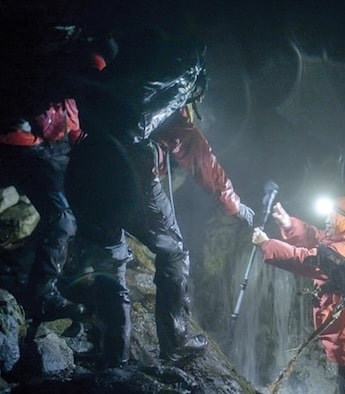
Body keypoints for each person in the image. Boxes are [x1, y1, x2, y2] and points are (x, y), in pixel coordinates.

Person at [65, 46, 254, 367]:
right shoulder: (161, 105)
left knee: (110, 258)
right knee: (174, 253)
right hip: (132, 182)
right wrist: (235, 205)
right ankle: (175, 342)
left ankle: (114, 353)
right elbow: (200, 159)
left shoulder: (111, 90)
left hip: (84, 172)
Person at [0, 23, 118, 322]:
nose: (97, 79)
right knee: (62, 218)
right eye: (96, 69)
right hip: (18, 149)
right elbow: (13, 127)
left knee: (87, 197)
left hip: (44, 145)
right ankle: (40, 298)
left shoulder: (72, 80)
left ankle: (35, 266)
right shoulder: (42, 78)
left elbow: (72, 125)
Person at [252, 197, 345, 393]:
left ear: (344, 219)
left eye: (331, 216)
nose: (326, 220)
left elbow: (308, 259)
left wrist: (267, 244)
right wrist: (289, 224)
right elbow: (319, 239)